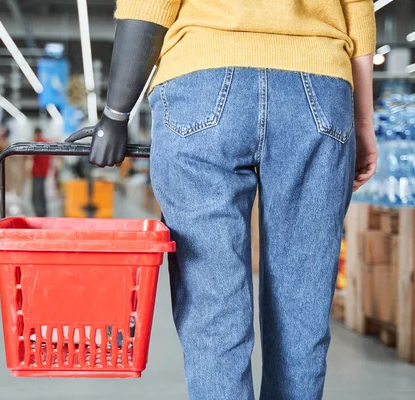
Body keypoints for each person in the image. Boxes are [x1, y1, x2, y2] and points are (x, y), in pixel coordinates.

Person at [67, 1, 377, 399]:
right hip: (318, 88)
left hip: (203, 84)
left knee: (213, 308)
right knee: (303, 308)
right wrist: (363, 124)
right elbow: (359, 11)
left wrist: (115, 113)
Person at [31, 127, 50, 217]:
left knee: (37, 194)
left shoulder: (37, 143)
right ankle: (43, 212)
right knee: (41, 193)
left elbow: (32, 155)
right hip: (44, 172)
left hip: (37, 172)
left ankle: (39, 213)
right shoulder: (45, 143)